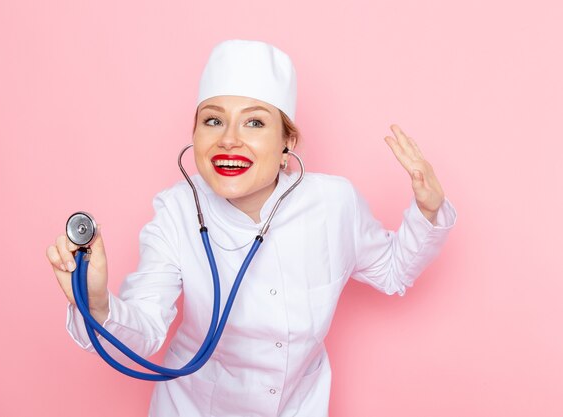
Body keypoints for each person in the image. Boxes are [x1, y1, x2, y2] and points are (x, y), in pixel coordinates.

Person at [46, 39, 457, 417]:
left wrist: (428, 209)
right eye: (212, 121)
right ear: (194, 134)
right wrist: (96, 301)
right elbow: (145, 332)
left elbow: (392, 272)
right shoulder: (175, 210)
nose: (228, 140)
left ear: (287, 144)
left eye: (255, 123)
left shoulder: (334, 204)